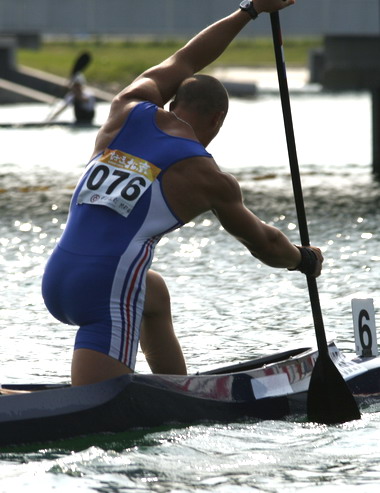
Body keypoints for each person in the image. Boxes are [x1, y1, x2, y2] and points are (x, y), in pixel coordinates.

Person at [42, 0, 323, 386]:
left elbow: (186, 58)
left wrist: (250, 9)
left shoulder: (125, 108)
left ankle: (178, 390)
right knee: (96, 415)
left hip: (58, 274)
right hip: (105, 291)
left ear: (173, 101)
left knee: (152, 292)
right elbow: (265, 244)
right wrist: (304, 259)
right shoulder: (207, 176)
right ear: (217, 120)